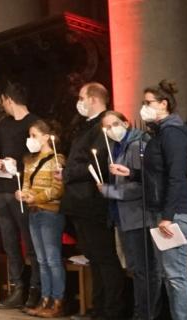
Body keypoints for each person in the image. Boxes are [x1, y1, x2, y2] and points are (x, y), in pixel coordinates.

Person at [61, 83, 124, 320]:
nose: (79, 102)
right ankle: (98, 309)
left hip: (93, 200)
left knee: (104, 257)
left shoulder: (103, 125)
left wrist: (68, 171)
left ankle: (112, 311)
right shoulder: (86, 126)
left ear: (94, 99)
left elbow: (96, 163)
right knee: (94, 258)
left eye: (81, 97)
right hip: (80, 200)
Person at [140, 80, 187, 320]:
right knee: (168, 274)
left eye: (148, 103)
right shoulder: (161, 133)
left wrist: (167, 216)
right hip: (164, 210)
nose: (143, 107)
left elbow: (176, 175)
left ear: (163, 104)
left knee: (176, 275)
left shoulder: (174, 132)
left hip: (176, 212)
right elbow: (158, 171)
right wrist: (132, 173)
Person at [100, 110, 158, 320]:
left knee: (144, 270)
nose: (111, 130)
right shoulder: (114, 149)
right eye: (106, 128)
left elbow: (141, 184)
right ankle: (140, 311)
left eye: (115, 124)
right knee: (135, 269)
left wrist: (110, 191)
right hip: (123, 217)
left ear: (125, 123)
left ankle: (144, 314)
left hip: (139, 216)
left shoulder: (136, 146)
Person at [0, 83, 39, 309]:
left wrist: (19, 163)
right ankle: (17, 287)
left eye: (2, 101)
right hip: (2, 189)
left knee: (30, 244)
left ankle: (35, 290)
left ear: (8, 100)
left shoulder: (34, 124)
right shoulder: (4, 125)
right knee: (9, 243)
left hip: (22, 191)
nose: (3, 106)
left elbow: (39, 156)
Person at [17, 120, 67, 317]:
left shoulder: (57, 159)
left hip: (50, 213)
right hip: (34, 212)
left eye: (34, 136)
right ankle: (44, 299)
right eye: (29, 136)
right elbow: (26, 183)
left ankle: (58, 301)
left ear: (46, 137)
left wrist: (35, 197)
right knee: (41, 260)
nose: (31, 140)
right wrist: (23, 194)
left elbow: (58, 189)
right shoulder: (29, 160)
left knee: (53, 259)